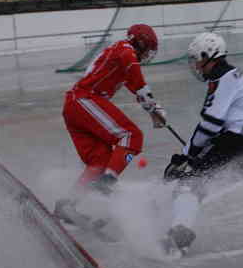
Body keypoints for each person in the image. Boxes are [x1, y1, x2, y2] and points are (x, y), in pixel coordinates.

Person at [162, 32, 243, 256]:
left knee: (190, 182)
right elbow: (212, 127)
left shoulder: (224, 81)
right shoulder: (230, 78)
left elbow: (210, 125)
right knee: (198, 181)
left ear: (209, 57)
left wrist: (187, 157)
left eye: (197, 60)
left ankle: (178, 237)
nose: (195, 66)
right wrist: (188, 154)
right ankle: (180, 229)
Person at [55, 24, 167, 226]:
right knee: (132, 136)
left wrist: (153, 111)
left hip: (76, 106)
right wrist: (153, 105)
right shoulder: (124, 50)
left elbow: (136, 88)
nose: (147, 54)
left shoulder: (124, 59)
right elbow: (137, 78)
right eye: (147, 48)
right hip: (84, 100)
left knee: (100, 161)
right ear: (139, 42)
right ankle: (107, 183)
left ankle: (68, 204)